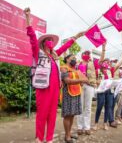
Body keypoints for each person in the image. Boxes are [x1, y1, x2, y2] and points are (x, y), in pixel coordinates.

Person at [24, 8, 84, 143]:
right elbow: (32, 38)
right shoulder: (37, 52)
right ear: (44, 43)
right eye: (48, 40)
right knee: (42, 114)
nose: (50, 41)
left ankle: (49, 138)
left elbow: (65, 47)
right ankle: (39, 138)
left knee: (52, 114)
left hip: (55, 88)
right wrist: (28, 18)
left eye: (51, 40)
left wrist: (76, 37)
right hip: (43, 87)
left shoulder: (54, 56)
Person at [77, 43, 106, 135]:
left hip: (90, 85)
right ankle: (80, 127)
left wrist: (103, 48)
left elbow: (101, 60)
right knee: (80, 106)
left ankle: (87, 127)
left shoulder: (93, 62)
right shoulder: (78, 63)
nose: (86, 54)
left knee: (88, 107)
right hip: (80, 85)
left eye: (88, 53)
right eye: (85, 53)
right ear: (82, 55)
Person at [60, 54, 88, 143]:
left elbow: (81, 80)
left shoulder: (75, 70)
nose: (75, 60)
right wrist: (82, 80)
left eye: (75, 59)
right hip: (68, 94)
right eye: (73, 58)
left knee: (72, 115)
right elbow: (67, 80)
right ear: (67, 59)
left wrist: (82, 81)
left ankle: (68, 133)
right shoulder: (64, 68)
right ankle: (67, 136)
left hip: (76, 93)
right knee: (67, 115)